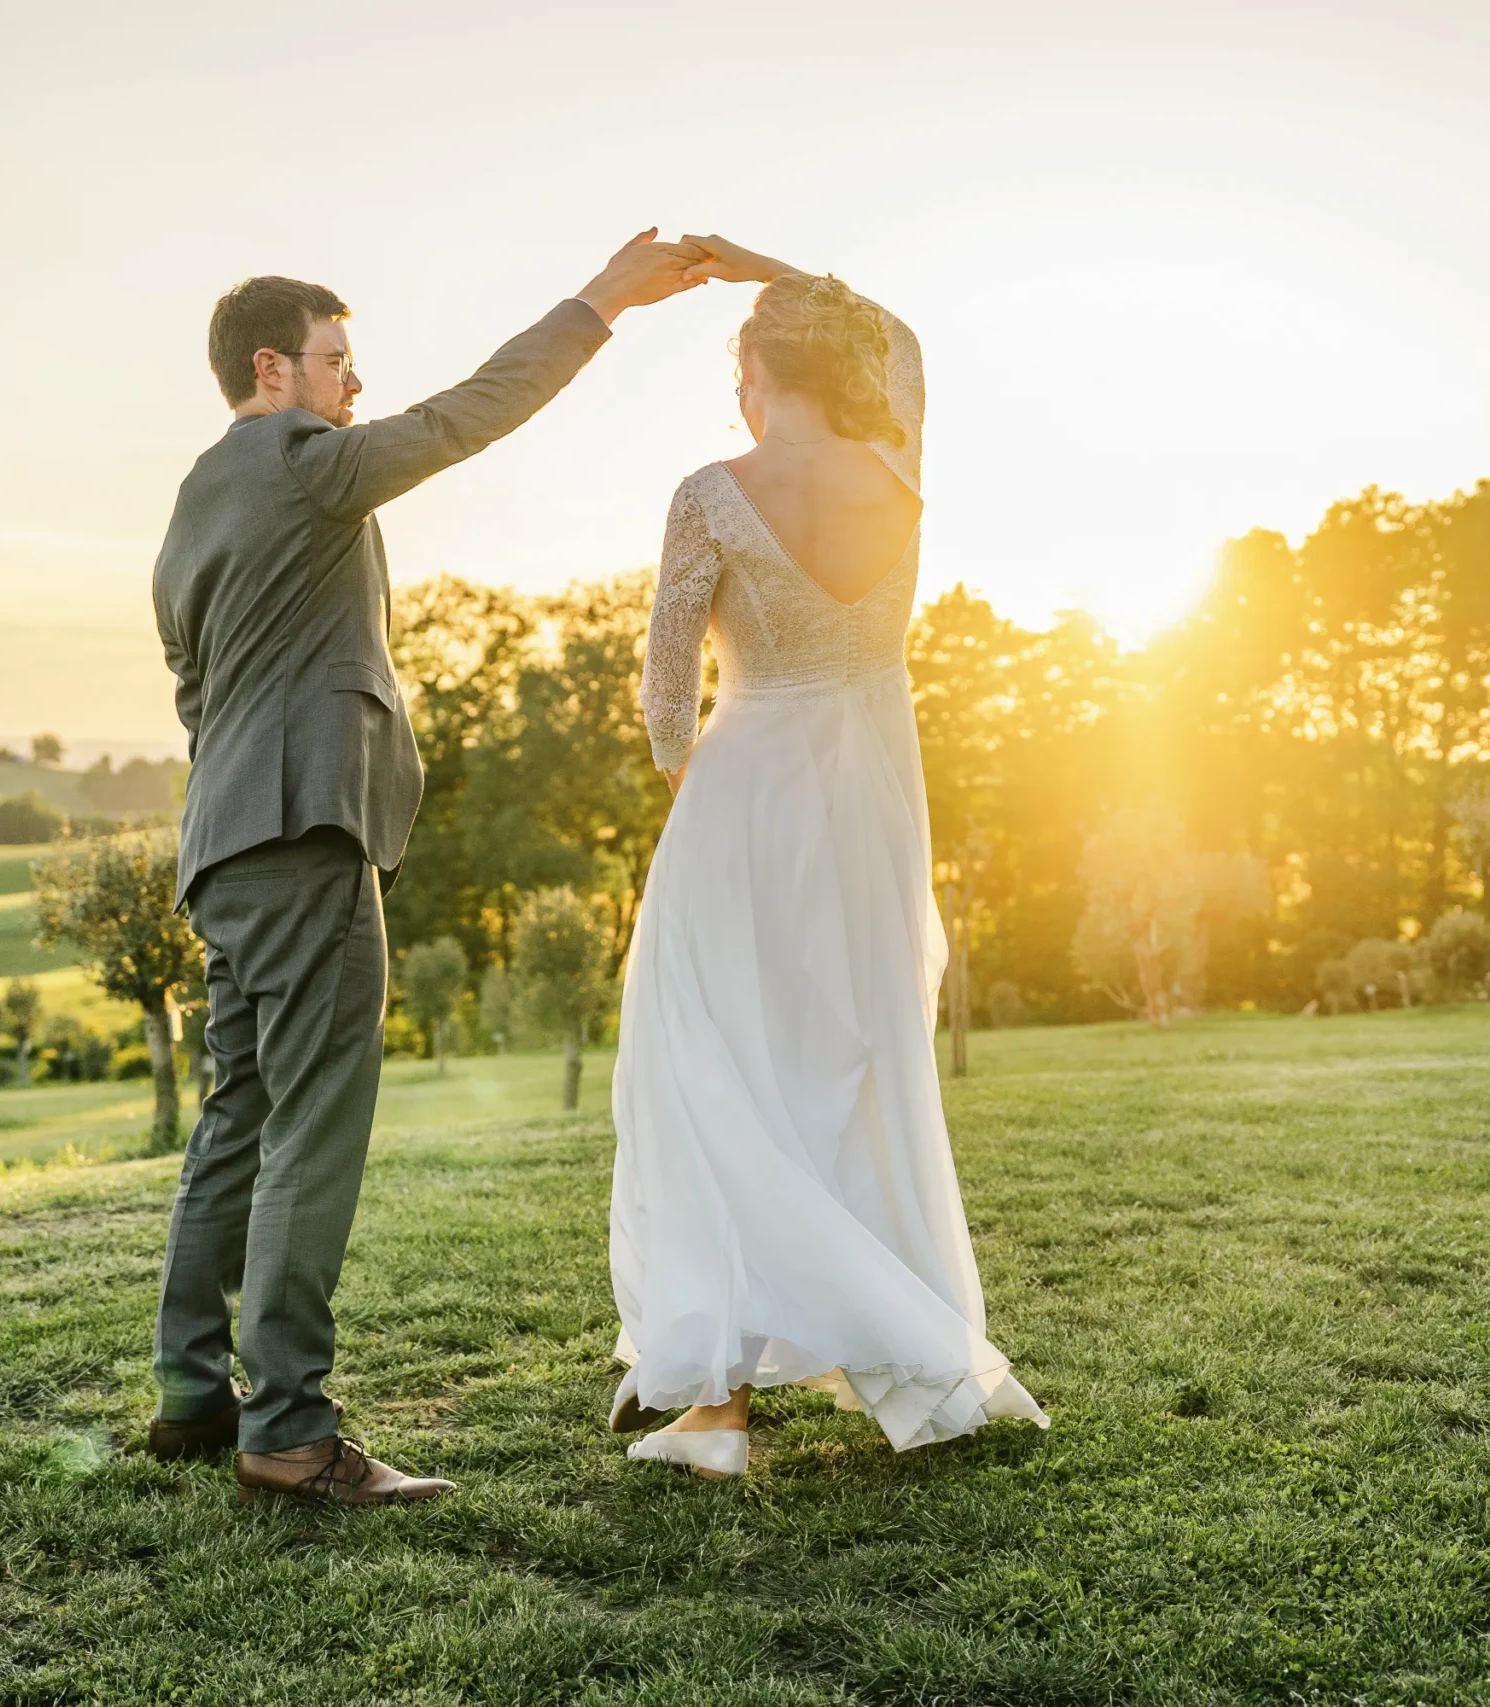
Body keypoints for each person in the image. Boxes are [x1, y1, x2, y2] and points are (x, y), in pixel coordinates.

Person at [147, 231, 704, 1506]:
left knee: (238, 1113)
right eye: (339, 363)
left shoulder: (193, 503)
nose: (357, 386)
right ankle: (287, 1427)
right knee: (311, 1126)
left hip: (222, 849)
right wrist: (602, 302)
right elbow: (473, 414)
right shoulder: (305, 467)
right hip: (301, 841)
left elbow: (193, 691)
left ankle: (190, 1394)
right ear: (273, 369)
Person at [606, 236, 1049, 1478]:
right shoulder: (898, 467)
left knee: (708, 1061)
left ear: (757, 367)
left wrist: (686, 772)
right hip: (870, 796)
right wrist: (761, 265)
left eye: (736, 366)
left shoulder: (708, 489)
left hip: (746, 786)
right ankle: (886, 1345)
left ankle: (719, 1404)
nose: (732, 395)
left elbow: (661, 698)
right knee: (852, 1056)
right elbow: (899, 341)